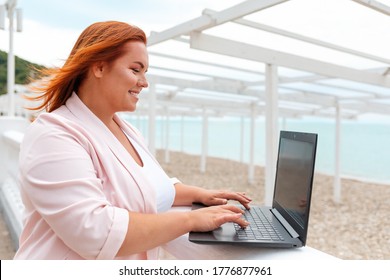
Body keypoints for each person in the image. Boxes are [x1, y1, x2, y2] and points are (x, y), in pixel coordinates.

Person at [14, 21, 252, 260]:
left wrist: (200, 194)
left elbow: (146, 189)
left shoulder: (128, 131)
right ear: (98, 67)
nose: (144, 82)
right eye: (135, 70)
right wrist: (191, 220)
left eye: (145, 72)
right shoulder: (54, 135)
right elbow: (94, 232)